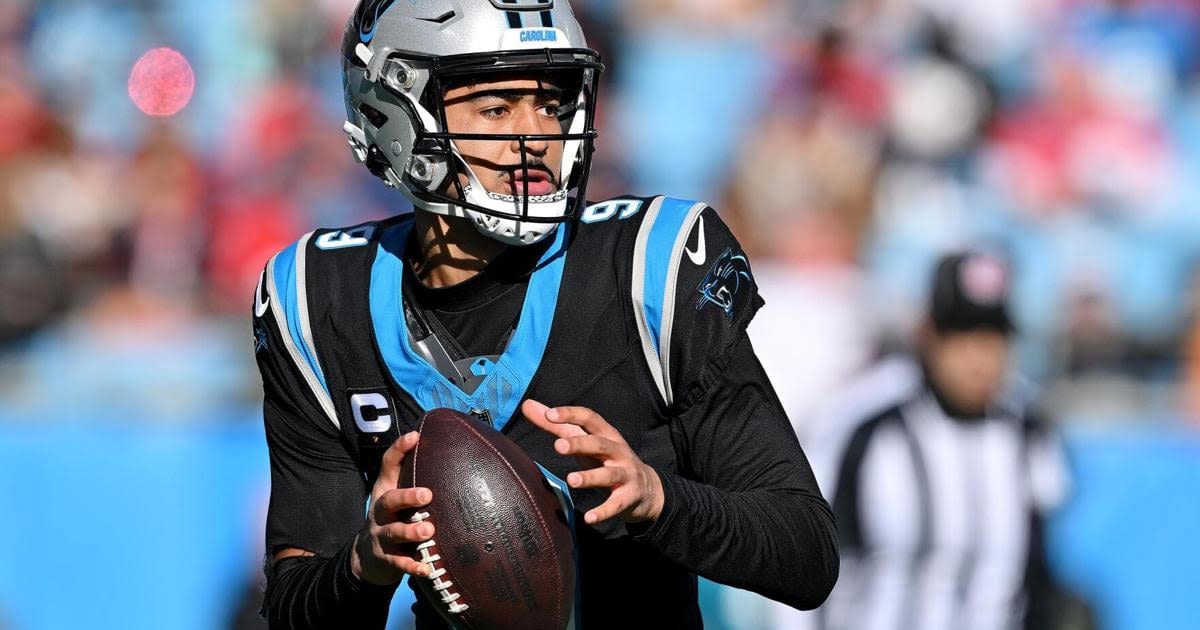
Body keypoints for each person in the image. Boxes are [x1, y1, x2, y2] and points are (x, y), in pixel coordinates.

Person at [250, 1, 839, 628]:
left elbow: (807, 553)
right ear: (393, 115)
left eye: (553, 105)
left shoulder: (647, 270)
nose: (537, 136)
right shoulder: (317, 299)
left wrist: (660, 501)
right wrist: (363, 565)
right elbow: (292, 608)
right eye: (497, 107)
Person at [795, 252, 1071, 630]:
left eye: (992, 336)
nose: (978, 356)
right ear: (928, 336)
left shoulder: (1030, 434)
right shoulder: (868, 423)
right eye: (961, 335)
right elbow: (803, 559)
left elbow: (1036, 577)